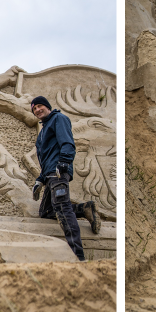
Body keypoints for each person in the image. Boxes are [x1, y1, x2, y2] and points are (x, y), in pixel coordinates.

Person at [30, 96, 101, 261]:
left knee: (63, 210)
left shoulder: (58, 119)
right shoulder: (44, 130)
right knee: (46, 212)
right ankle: (84, 209)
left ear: (47, 106)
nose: (37, 110)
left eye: (40, 106)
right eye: (34, 109)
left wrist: (64, 162)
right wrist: (40, 180)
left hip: (58, 173)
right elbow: (47, 159)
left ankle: (78, 257)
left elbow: (67, 143)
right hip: (49, 175)